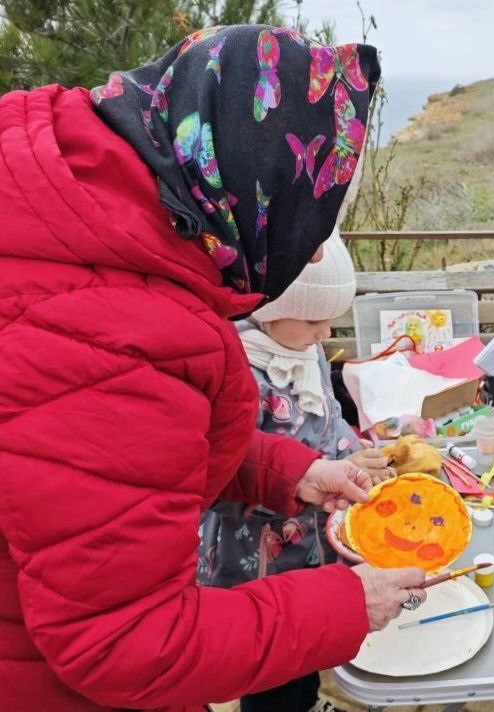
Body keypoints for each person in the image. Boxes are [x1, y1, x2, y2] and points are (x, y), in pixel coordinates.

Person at [0, 25, 425, 711]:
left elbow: (101, 458)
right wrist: (346, 604)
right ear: (247, 178)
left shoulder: (82, 240)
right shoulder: (115, 327)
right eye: (304, 215)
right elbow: (130, 646)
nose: (312, 254)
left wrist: (288, 469)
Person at [199, 229, 393, 712]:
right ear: (267, 309)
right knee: (269, 656)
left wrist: (357, 453)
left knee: (310, 637)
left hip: (311, 541)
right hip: (254, 553)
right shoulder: (240, 373)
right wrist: (323, 470)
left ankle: (307, 701)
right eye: (313, 321)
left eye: (330, 321)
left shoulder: (306, 353)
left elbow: (329, 423)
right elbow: (220, 477)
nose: (326, 334)